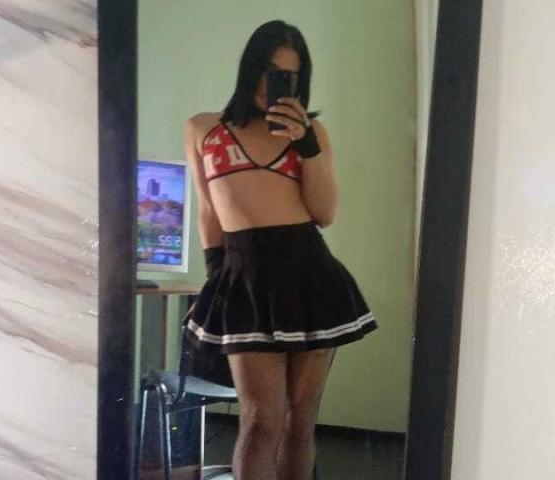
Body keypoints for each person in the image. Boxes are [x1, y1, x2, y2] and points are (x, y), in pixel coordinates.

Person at [182, 19, 378, 480]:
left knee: (299, 423)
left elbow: (324, 213)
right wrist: (217, 278)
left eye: (286, 76)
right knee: (259, 420)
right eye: (268, 69)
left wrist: (306, 145)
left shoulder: (312, 133)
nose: (272, 82)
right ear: (249, 66)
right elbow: (208, 210)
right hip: (244, 277)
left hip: (311, 275)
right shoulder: (202, 129)